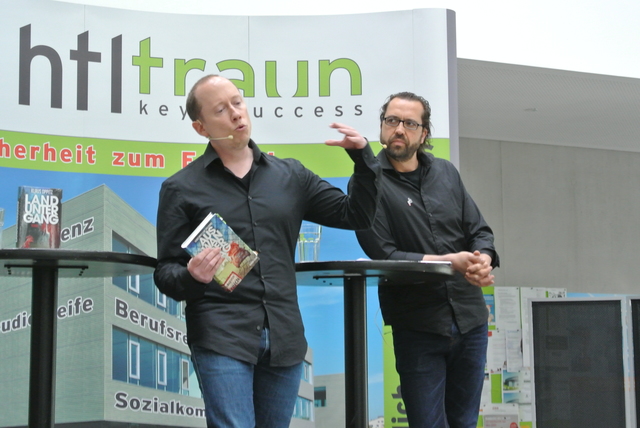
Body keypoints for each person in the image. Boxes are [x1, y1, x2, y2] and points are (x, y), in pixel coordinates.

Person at [153, 74, 380, 428]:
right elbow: (165, 272)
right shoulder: (181, 188)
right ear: (200, 128)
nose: (235, 113)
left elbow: (357, 215)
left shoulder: (290, 176)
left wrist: (363, 161)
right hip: (221, 333)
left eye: (237, 102)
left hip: (284, 336)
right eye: (220, 109)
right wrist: (192, 276)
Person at [355, 91, 500, 428]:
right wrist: (448, 262)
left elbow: (480, 231)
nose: (399, 129)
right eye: (392, 120)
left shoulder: (446, 173)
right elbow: (383, 253)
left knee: (465, 423)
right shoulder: (368, 183)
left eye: (409, 123)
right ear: (382, 126)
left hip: (470, 320)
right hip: (418, 326)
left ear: (424, 134)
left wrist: (483, 259)